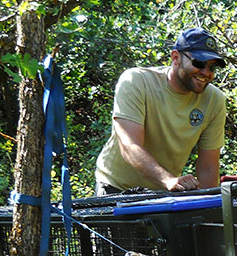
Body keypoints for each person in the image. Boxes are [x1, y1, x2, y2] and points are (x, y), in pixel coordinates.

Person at [94, 27, 227, 196]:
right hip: (117, 188)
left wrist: (211, 206)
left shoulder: (214, 100)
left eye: (212, 67)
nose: (206, 72)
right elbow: (129, 146)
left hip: (163, 193)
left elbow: (208, 167)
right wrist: (168, 180)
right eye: (198, 63)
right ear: (176, 57)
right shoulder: (136, 81)